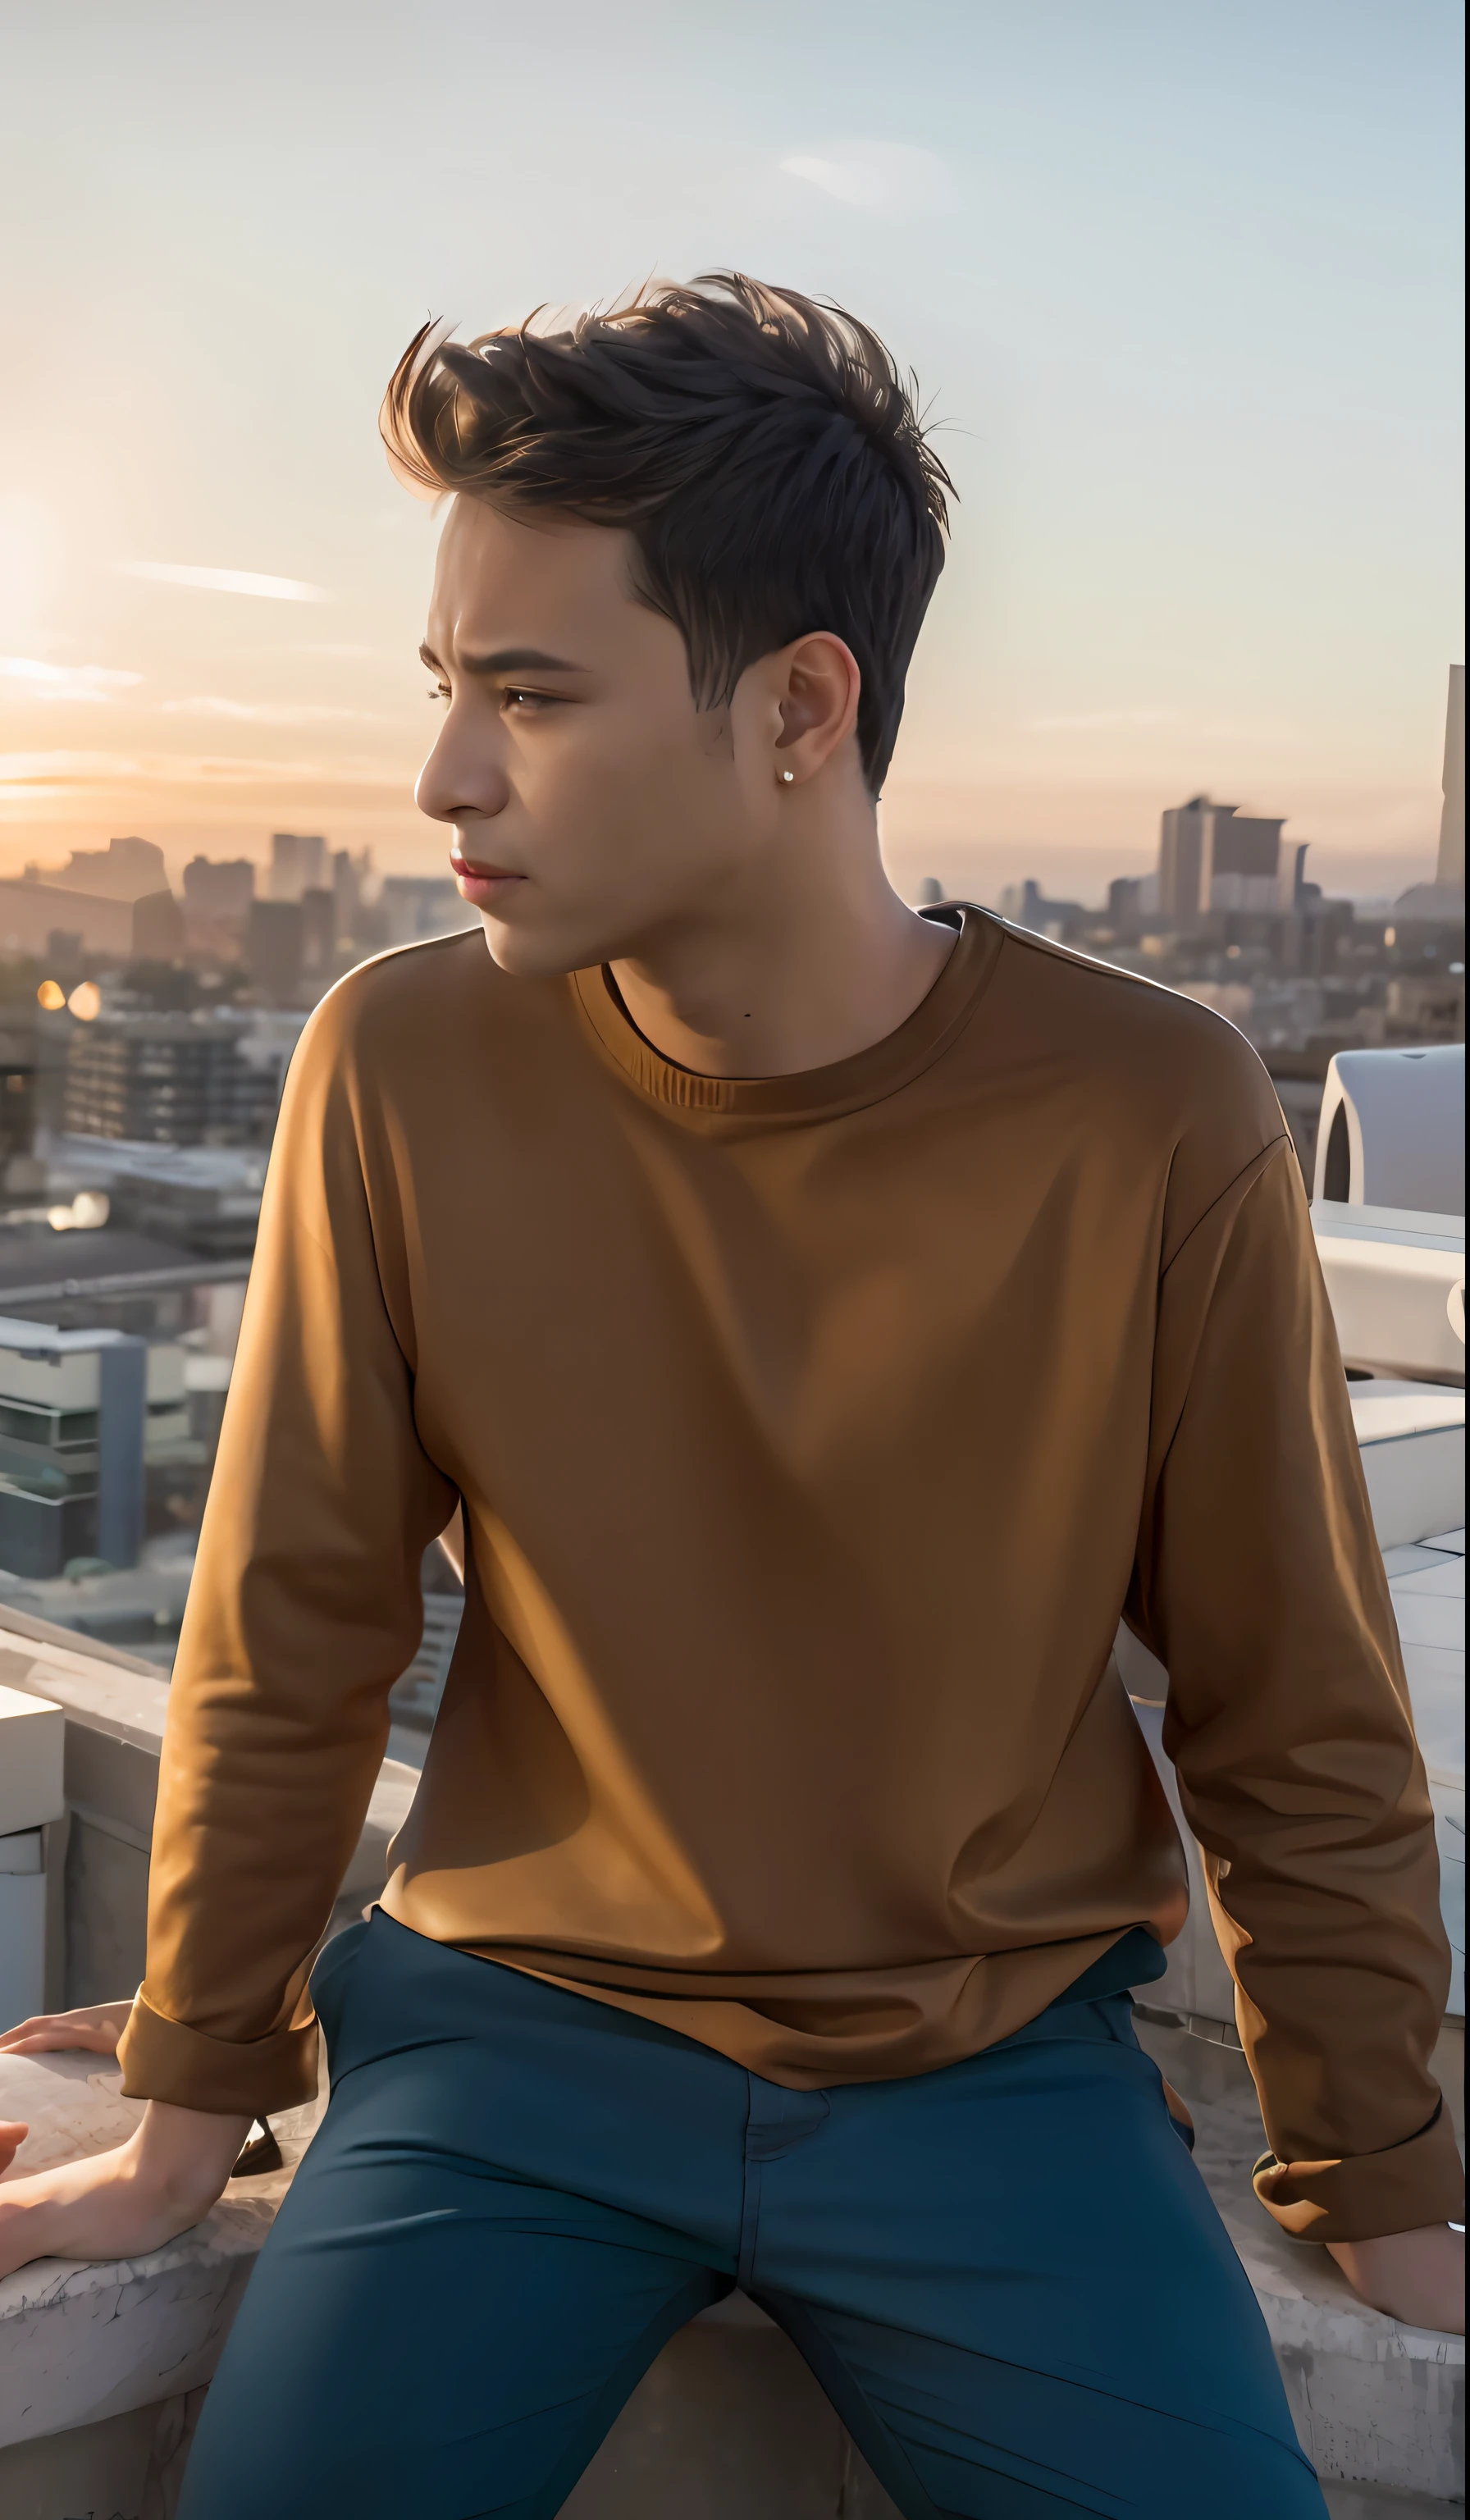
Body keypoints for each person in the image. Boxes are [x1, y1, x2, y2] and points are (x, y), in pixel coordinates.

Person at [1, 276, 1461, 2519]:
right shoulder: (399, 1063)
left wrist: (1382, 2167)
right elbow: (286, 1626)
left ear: (798, 705)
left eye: (534, 695)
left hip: (993, 2085)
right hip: (502, 2047)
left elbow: (1293, 1700)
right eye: (446, 689)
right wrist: (191, 2110)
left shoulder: (1149, 1114)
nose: (445, 774)